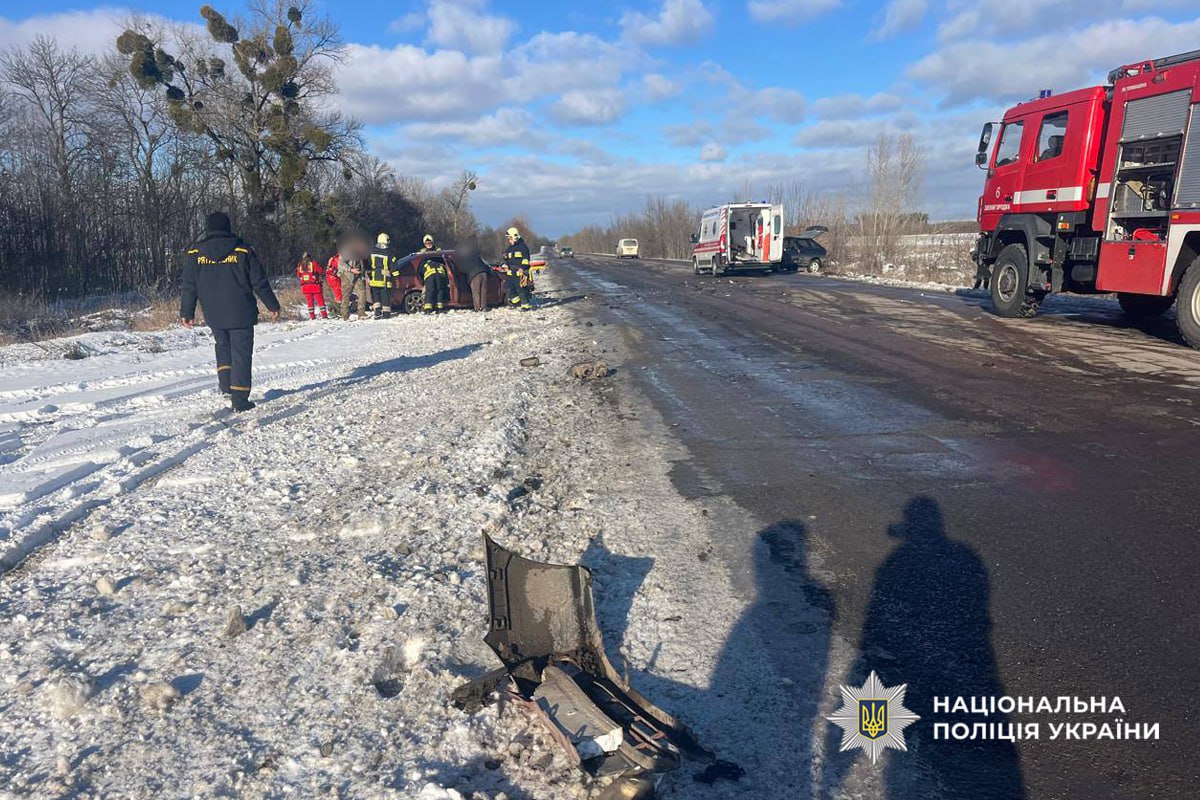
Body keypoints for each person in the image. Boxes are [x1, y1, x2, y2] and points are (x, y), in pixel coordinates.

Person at [180, 212, 280, 412]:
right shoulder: (243, 250)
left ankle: (226, 386)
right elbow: (259, 281)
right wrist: (272, 305)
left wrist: (187, 312)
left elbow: (189, 285)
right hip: (241, 311)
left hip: (213, 312)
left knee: (223, 346)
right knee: (241, 353)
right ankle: (240, 399)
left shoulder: (195, 253)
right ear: (228, 227)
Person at [502, 226, 533, 311]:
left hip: (520, 273)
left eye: (510, 238)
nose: (509, 240)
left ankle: (525, 306)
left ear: (515, 237)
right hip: (510, 273)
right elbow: (506, 260)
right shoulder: (509, 249)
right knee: (508, 288)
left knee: (521, 290)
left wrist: (522, 268)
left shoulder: (523, 247)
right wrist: (505, 265)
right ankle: (517, 302)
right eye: (508, 239)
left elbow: (526, 260)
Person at [367, 233, 397, 318]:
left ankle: (377, 312)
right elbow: (394, 266)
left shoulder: (372, 252)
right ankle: (386, 314)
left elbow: (368, 263)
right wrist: (395, 275)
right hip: (385, 279)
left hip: (374, 278)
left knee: (376, 296)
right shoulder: (389, 253)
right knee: (385, 297)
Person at [458, 244, 490, 312]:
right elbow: (486, 264)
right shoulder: (476, 256)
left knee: (476, 292)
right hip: (484, 273)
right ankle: (483, 307)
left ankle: (477, 308)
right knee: (483, 291)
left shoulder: (464, 259)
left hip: (474, 275)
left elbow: (462, 269)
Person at [296, 252, 328, 320]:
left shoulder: (300, 265)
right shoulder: (313, 263)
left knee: (310, 302)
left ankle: (312, 317)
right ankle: (324, 316)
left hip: (305, 286)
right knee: (320, 301)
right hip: (315, 286)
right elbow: (321, 271)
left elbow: (298, 275)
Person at [325, 248, 344, 316]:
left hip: (329, 277)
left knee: (335, 294)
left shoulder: (333, 258)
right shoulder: (338, 259)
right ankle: (336, 312)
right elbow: (341, 269)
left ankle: (332, 309)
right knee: (338, 295)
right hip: (334, 278)